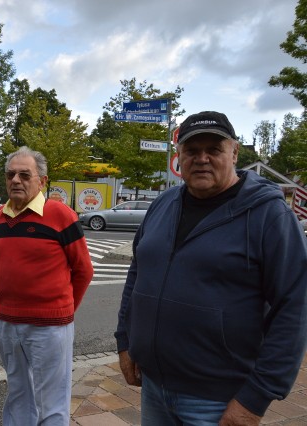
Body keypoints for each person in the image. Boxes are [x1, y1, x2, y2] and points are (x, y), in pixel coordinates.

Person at [115, 111, 307, 425]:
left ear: (234, 152)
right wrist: (125, 341)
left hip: (217, 401)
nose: (202, 158)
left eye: (214, 150)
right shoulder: (163, 205)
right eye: (192, 150)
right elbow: (138, 273)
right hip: (153, 388)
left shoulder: (269, 215)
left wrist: (255, 400)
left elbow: (294, 307)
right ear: (179, 157)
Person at [0, 146, 94, 425]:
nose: (16, 180)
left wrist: (63, 311)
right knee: (17, 393)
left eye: (25, 175)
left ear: (42, 181)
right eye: (11, 174)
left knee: (52, 401)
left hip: (50, 326)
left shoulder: (60, 215)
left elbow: (84, 270)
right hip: (7, 323)